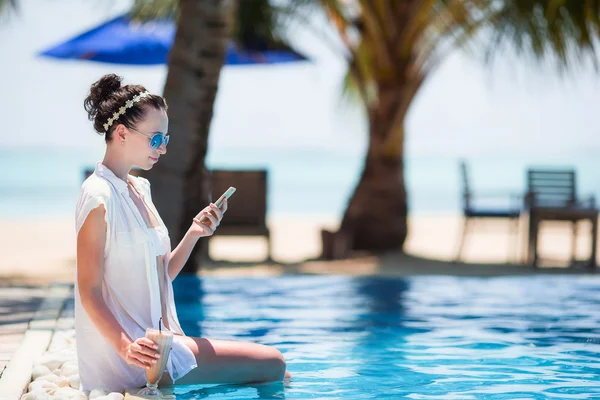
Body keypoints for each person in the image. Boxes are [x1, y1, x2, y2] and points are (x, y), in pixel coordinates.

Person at [75, 74, 290, 394]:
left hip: (159, 343)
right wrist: (126, 348)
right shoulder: (98, 196)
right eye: (155, 139)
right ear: (121, 133)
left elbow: (160, 277)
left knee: (273, 369)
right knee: (274, 364)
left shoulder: (139, 188)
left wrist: (194, 233)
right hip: (132, 356)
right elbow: (88, 289)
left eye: (166, 139)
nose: (162, 149)